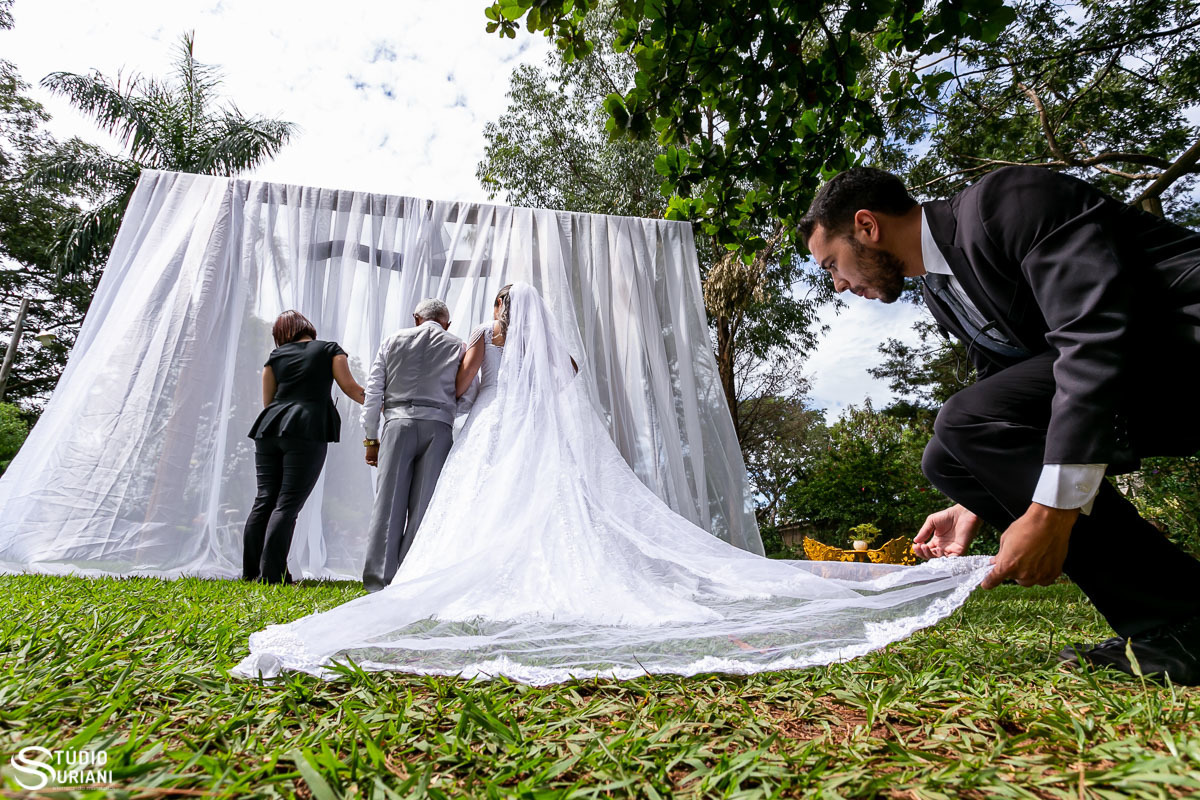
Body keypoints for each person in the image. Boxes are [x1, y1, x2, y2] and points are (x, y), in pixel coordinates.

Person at [232, 283, 989, 683]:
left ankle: (400, 578)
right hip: (518, 426)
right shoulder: (535, 343)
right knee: (525, 507)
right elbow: (567, 377)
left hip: (477, 426)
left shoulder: (476, 339)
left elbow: (464, 388)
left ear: (497, 312)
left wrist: (446, 403)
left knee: (456, 508)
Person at [798, 165, 1200, 684]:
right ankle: (1180, 614)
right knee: (947, 459)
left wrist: (1052, 512)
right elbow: (1005, 387)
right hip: (1134, 381)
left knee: (962, 421)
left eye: (832, 264)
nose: (838, 285)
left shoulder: (1006, 203)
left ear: (867, 226)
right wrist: (977, 494)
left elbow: (1093, 335)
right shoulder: (941, 291)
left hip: (1176, 342)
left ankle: (1181, 620)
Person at [243, 310, 365, 584]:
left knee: (264, 500)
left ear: (281, 334)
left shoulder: (275, 357)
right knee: (287, 504)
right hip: (307, 428)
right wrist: (382, 403)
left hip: (269, 428)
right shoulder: (330, 349)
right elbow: (350, 388)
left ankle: (251, 573)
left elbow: (268, 401)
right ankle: (272, 577)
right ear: (307, 328)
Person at [360, 298, 465, 593]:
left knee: (388, 503)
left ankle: (379, 582)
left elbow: (373, 394)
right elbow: (468, 394)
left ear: (416, 317)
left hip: (397, 422)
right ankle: (410, 579)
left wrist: (371, 438)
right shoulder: (457, 345)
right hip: (438, 427)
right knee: (425, 506)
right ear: (447, 324)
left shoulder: (392, 340)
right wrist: (446, 409)